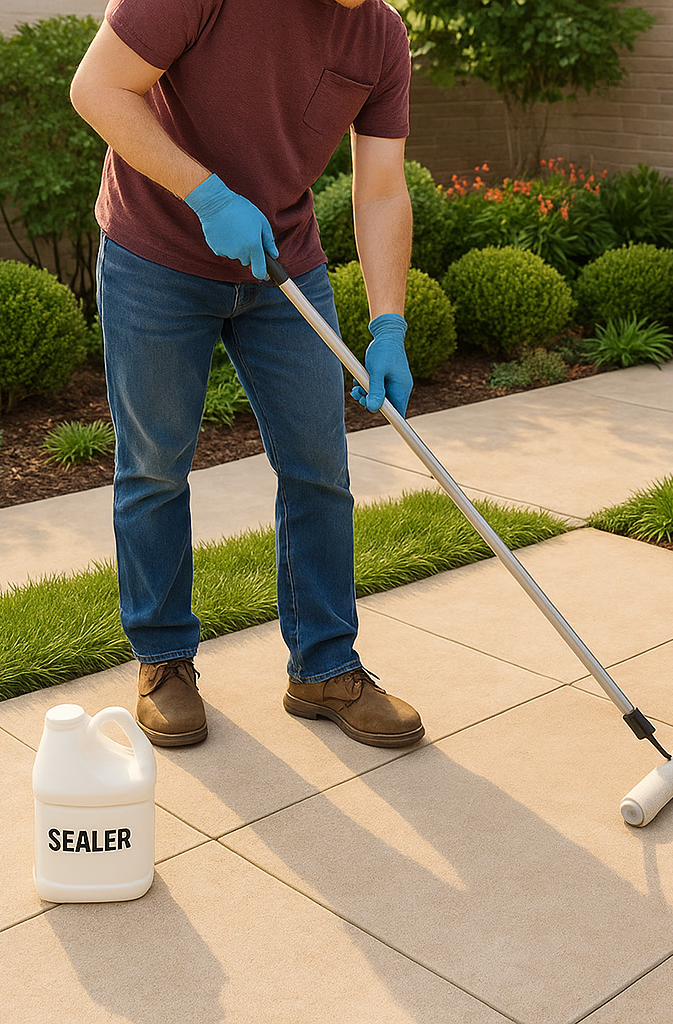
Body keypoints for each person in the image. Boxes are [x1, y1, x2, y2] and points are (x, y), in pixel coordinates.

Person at [70, 0, 422, 750]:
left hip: (281, 264)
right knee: (156, 466)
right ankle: (163, 660)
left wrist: (388, 323)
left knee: (319, 467)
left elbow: (382, 185)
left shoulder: (383, 35)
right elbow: (98, 88)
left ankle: (324, 666)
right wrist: (207, 193)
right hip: (156, 253)